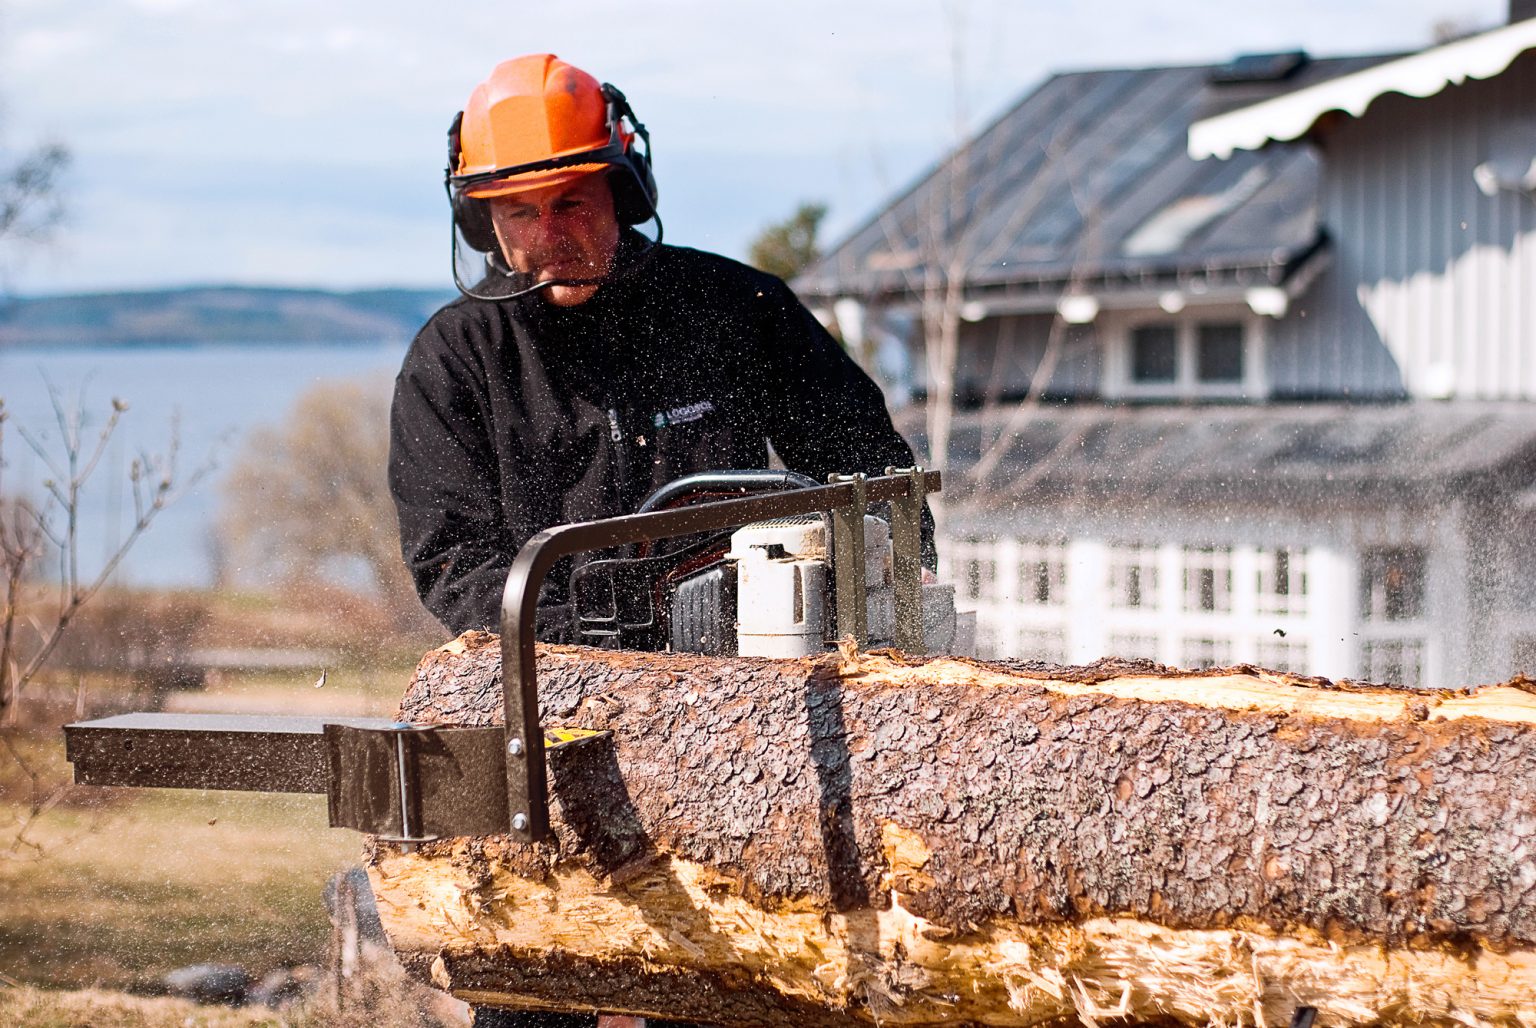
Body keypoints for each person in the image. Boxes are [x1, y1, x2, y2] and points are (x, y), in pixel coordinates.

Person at [390, 52, 933, 651]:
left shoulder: (737, 307)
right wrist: (593, 648)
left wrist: (892, 582)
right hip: (557, 674)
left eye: (571, 202)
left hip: (751, 654)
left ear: (622, 190)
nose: (550, 234)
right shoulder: (455, 358)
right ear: (482, 218)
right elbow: (452, 560)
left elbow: (866, 462)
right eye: (522, 212)